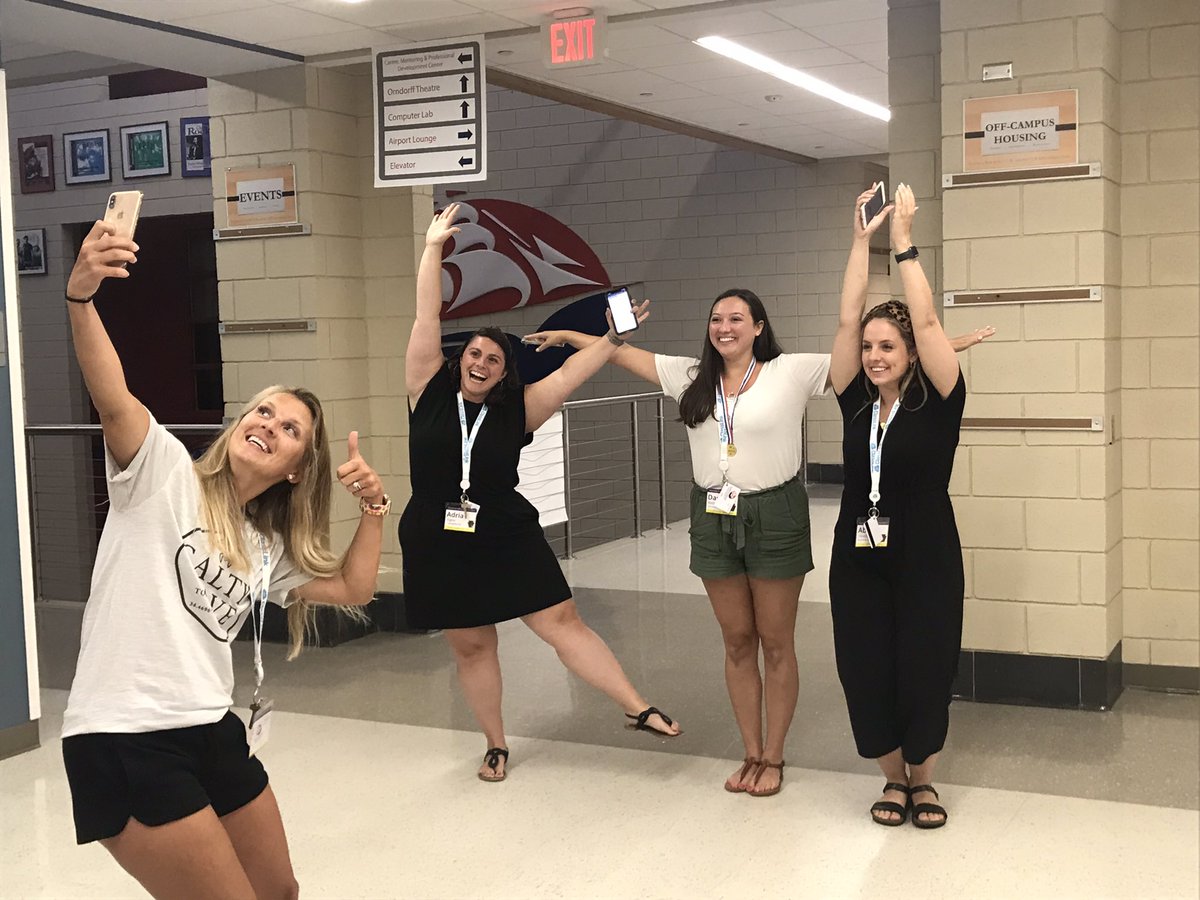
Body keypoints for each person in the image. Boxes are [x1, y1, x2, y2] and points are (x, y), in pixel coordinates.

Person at [524, 199, 990, 798]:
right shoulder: (712, 379)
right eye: (716, 318)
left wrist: (907, 264)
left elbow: (892, 331)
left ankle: (876, 773)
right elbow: (850, 328)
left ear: (759, 326)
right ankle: (817, 765)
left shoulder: (827, 379)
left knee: (829, 649)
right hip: (772, 530)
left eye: (737, 318)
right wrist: (570, 335)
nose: (724, 326)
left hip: (844, 530)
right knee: (786, 650)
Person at [59, 220, 388, 898]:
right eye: (262, 412)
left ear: (297, 469)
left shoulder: (266, 547)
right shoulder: (161, 473)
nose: (268, 424)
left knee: (280, 892)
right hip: (126, 733)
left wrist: (375, 509)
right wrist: (81, 299)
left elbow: (354, 586)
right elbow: (114, 400)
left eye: (289, 428)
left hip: (211, 729)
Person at [402, 204, 681, 783]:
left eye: (494, 359)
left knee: (560, 620)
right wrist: (432, 249)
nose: (481, 363)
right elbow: (427, 313)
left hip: (504, 529)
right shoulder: (427, 389)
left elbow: (573, 373)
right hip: (436, 532)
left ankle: (637, 707)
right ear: (460, 362)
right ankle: (495, 744)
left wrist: (613, 339)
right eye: (474, 355)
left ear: (506, 372)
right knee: (472, 647)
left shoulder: (521, 409)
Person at [828, 183, 967, 829]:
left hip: (926, 549)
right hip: (858, 552)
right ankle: (891, 777)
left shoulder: (938, 397)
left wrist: (903, 243)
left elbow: (930, 321)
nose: (874, 356)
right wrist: (861, 242)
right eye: (869, 347)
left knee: (925, 663)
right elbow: (846, 319)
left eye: (888, 346)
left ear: (911, 352)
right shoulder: (854, 398)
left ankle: (924, 779)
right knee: (864, 664)